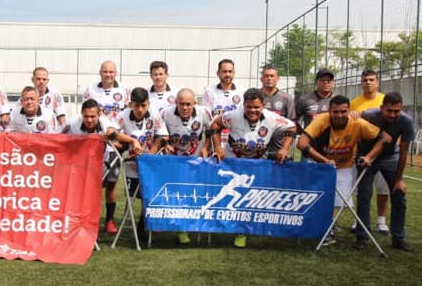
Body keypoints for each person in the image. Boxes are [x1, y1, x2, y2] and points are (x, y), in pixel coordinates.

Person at [209, 87, 297, 248]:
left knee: (248, 199)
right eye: (249, 107)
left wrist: (284, 149)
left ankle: (242, 232)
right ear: (244, 105)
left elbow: (292, 128)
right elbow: (215, 124)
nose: (252, 110)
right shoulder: (233, 115)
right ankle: (230, 228)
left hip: (258, 164)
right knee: (230, 198)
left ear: (263, 105)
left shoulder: (273, 118)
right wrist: (217, 147)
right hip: (234, 162)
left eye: (256, 107)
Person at [298, 95, 384, 246]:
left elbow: (385, 138)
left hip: (344, 166)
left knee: (337, 201)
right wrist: (324, 161)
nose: (339, 115)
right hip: (320, 163)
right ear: (329, 111)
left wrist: (370, 156)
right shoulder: (321, 120)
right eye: (335, 112)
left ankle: (327, 229)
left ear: (349, 110)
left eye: (343, 112)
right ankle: (322, 229)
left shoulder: (358, 123)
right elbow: (301, 143)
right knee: (317, 198)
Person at [64, 98, 143, 234]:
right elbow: (56, 136)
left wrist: (133, 141)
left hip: (108, 156)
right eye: (86, 116)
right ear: (81, 114)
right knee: (86, 190)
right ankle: (81, 221)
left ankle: (109, 220)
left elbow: (115, 135)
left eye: (93, 116)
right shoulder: (72, 124)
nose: (89, 120)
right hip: (83, 160)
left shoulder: (106, 124)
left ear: (99, 114)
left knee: (111, 186)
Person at [354, 92, 416, 252]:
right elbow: (354, 129)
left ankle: (398, 237)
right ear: (382, 108)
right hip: (366, 157)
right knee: (364, 195)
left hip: (390, 157)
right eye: (389, 111)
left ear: (401, 108)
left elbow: (403, 152)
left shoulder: (406, 121)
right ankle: (362, 235)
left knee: (399, 194)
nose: (393, 114)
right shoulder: (368, 115)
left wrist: (399, 179)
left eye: (397, 111)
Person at [158, 88, 212, 245]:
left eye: (188, 104)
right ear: (176, 102)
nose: (185, 108)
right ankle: (181, 229)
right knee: (177, 194)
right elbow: (158, 132)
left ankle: (196, 223)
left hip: (196, 160)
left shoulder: (204, 113)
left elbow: (212, 131)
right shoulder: (165, 113)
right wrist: (165, 143)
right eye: (181, 104)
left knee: (195, 193)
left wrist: (206, 147)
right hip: (173, 160)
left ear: (195, 103)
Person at [118, 87, 166, 242]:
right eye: (136, 105)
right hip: (131, 164)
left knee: (148, 196)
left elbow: (163, 136)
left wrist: (150, 155)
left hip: (149, 163)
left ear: (148, 104)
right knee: (131, 197)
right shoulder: (123, 115)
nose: (139, 109)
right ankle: (129, 225)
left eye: (143, 106)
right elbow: (112, 133)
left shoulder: (155, 115)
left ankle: (143, 228)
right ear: (130, 104)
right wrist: (129, 142)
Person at [350, 69, 389, 234]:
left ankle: (381, 220)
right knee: (362, 189)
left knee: (383, 188)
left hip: (383, 151)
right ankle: (358, 220)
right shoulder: (354, 103)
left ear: (378, 82)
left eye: (371, 79)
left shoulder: (384, 100)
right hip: (362, 151)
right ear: (361, 82)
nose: (368, 82)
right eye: (365, 79)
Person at [83, 60, 129, 128]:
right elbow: (85, 111)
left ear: (116, 73)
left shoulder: (125, 89)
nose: (108, 74)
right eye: (105, 72)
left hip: (118, 132)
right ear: (100, 73)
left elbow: (129, 111)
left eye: (111, 72)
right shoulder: (90, 89)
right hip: (97, 131)